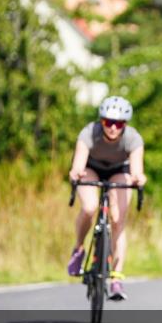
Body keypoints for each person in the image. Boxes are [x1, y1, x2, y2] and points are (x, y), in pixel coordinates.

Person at [66, 95, 147, 300]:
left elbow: (136, 169)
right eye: (108, 122)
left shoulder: (133, 138)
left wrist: (139, 178)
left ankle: (117, 278)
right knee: (90, 207)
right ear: (101, 121)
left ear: (125, 124)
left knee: (118, 218)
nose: (112, 128)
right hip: (91, 169)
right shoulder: (88, 133)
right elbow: (78, 164)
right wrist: (75, 173)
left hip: (119, 170)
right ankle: (78, 249)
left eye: (118, 123)